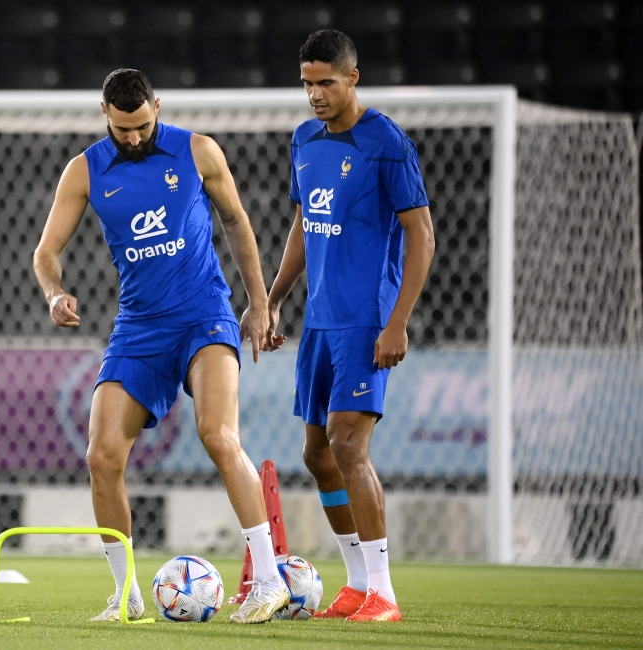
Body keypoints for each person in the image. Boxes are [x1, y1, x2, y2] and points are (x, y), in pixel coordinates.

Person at [33, 69, 289, 624]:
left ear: (157, 106)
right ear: (105, 112)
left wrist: (259, 303)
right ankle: (125, 597)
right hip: (139, 327)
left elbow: (238, 222)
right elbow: (46, 251)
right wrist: (54, 292)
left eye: (142, 125)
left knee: (218, 435)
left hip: (204, 316)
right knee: (101, 456)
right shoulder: (84, 171)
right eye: (122, 128)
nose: (132, 137)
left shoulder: (197, 150)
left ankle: (269, 581)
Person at [264, 30, 435, 622]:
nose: (314, 94)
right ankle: (357, 582)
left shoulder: (385, 142)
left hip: (368, 318)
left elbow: (422, 234)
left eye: (326, 83)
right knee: (316, 452)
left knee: (347, 443)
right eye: (307, 83)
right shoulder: (304, 140)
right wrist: (274, 297)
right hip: (320, 320)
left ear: (352, 79)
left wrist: (399, 321)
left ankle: (384, 592)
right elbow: (304, 224)